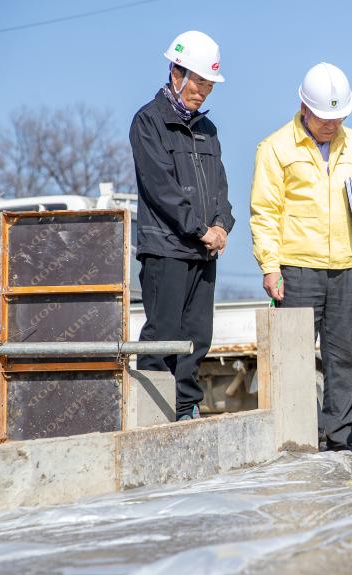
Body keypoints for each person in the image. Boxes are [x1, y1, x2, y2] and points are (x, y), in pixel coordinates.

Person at [250, 62, 352, 450]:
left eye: (339, 116)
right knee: (292, 355)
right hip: (296, 268)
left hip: (344, 266)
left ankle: (339, 435)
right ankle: (295, 435)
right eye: (325, 117)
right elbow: (265, 211)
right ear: (303, 106)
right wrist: (270, 266)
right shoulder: (276, 147)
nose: (332, 124)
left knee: (342, 356)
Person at [129, 31, 233, 421]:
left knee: (197, 337)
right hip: (166, 248)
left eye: (208, 86)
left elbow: (220, 187)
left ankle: (186, 410)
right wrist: (199, 228)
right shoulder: (148, 121)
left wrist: (222, 225)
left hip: (202, 249)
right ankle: (152, 415)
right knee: (164, 335)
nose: (203, 93)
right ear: (176, 72)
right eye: (199, 83)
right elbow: (161, 188)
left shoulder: (208, 130)